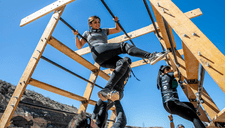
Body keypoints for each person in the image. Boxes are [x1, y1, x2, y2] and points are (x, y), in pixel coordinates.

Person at [73, 15, 168, 101]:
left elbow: (118, 30)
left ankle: (107, 89)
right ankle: (150, 56)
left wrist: (116, 22)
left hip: (103, 61)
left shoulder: (104, 30)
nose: (98, 24)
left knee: (123, 63)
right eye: (95, 22)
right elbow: (79, 46)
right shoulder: (87, 33)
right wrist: (76, 36)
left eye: (99, 22)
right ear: (90, 24)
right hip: (97, 50)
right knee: (124, 46)